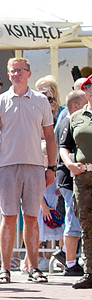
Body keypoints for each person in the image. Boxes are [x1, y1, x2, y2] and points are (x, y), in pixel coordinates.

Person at [0, 57, 57, 283]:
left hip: (35, 166)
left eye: (20, 70)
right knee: (8, 218)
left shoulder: (41, 101)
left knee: (32, 218)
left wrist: (51, 166)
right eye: (12, 71)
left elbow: (49, 135)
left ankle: (33, 268)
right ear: (8, 75)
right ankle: (5, 269)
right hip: (6, 166)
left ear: (29, 73)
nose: (16, 74)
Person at [60, 75, 92, 288]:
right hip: (83, 176)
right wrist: (69, 165)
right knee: (87, 226)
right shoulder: (76, 117)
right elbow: (65, 146)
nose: (91, 90)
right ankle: (90, 272)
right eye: (88, 87)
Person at [54, 88, 89, 277]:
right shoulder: (69, 120)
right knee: (73, 220)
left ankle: (67, 256)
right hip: (70, 178)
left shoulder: (66, 119)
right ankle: (69, 261)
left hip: (70, 176)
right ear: (75, 105)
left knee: (75, 219)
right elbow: (64, 148)